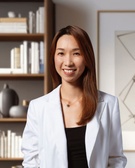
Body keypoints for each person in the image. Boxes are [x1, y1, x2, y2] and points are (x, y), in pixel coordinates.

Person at [21, 25, 127, 168]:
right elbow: (31, 161)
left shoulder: (109, 104)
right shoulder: (38, 107)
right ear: (53, 57)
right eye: (61, 53)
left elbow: (116, 159)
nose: (68, 62)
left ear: (87, 58)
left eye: (76, 53)